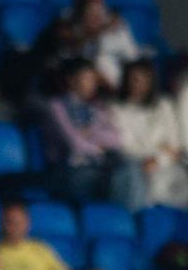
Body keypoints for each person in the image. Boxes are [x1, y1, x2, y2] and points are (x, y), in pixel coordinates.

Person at [44, 58, 145, 212]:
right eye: (87, 78)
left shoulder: (96, 107)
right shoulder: (56, 107)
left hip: (97, 167)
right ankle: (123, 220)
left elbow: (116, 140)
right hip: (67, 171)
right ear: (71, 80)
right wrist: (98, 147)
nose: (93, 84)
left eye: (94, 79)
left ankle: (126, 220)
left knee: (131, 168)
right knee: (122, 179)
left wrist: (89, 132)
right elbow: (75, 144)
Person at [112, 59, 188, 209]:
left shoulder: (164, 105)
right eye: (134, 79)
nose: (139, 84)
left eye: (145, 79)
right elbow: (124, 144)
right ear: (126, 80)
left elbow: (175, 144)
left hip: (166, 165)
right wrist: (155, 152)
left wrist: (159, 159)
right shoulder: (115, 108)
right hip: (135, 166)